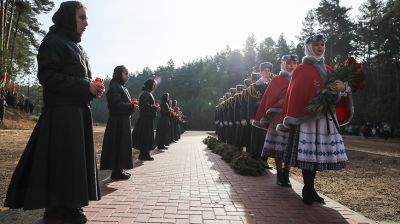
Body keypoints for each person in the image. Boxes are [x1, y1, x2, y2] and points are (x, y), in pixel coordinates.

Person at [4, 1, 104, 223]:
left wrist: (91, 87)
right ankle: (57, 210)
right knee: (61, 162)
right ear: (69, 17)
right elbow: (48, 77)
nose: (87, 23)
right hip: (61, 115)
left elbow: (79, 79)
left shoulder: (77, 46)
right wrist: (83, 86)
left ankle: (70, 206)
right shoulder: (53, 41)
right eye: (82, 17)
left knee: (73, 163)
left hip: (77, 114)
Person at [277, 33, 352, 205]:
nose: (320, 47)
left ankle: (311, 188)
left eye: (322, 45)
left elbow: (338, 90)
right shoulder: (301, 69)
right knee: (309, 154)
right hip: (308, 120)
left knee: (317, 154)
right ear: (309, 47)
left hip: (325, 118)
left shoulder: (329, 69)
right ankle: (307, 188)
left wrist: (341, 88)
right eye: (316, 45)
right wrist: (316, 99)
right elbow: (296, 93)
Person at [259, 55, 298, 187]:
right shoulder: (277, 80)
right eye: (287, 63)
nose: (290, 66)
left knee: (289, 147)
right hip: (277, 118)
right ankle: (280, 174)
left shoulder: (298, 79)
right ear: (283, 64)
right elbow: (268, 98)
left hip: (292, 118)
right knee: (278, 146)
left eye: (293, 63)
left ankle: (286, 174)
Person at [100, 65, 138, 180]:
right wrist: (131, 106)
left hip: (123, 121)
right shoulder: (114, 87)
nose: (128, 75)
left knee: (121, 146)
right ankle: (116, 172)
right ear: (119, 74)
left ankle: (118, 170)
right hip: (117, 122)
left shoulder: (121, 87)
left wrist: (131, 107)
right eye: (125, 73)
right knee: (118, 146)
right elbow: (115, 105)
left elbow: (122, 104)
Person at [132, 79, 159, 161]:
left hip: (148, 119)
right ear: (149, 85)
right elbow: (144, 106)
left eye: (155, 85)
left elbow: (147, 105)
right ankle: (144, 155)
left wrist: (154, 106)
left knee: (147, 137)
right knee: (145, 137)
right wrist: (154, 107)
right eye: (153, 85)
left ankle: (144, 154)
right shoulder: (145, 94)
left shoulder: (147, 94)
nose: (155, 87)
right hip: (145, 119)